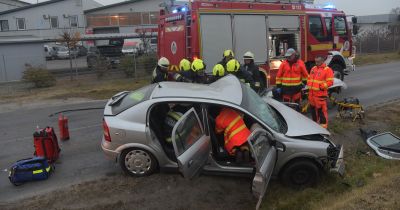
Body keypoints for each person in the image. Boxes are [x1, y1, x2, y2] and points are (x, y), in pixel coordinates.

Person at [307, 55, 334, 129]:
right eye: (315, 61)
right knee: (313, 111)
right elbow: (310, 78)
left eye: (318, 62)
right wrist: (308, 84)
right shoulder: (313, 68)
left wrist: (321, 86)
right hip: (312, 95)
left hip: (320, 95)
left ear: (322, 61)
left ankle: (323, 128)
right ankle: (315, 125)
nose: (316, 63)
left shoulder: (327, 70)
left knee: (321, 111)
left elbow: (330, 82)